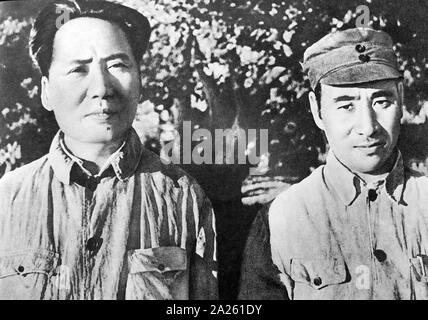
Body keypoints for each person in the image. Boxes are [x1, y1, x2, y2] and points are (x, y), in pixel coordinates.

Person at [0, 0, 217, 300]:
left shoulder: (184, 198)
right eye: (78, 69)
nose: (102, 87)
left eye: (117, 65)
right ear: (46, 91)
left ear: (141, 81)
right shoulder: (6, 201)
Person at [238, 27, 428, 300]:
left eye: (382, 101)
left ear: (401, 98)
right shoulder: (282, 219)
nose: (368, 127)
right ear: (317, 110)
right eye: (345, 105)